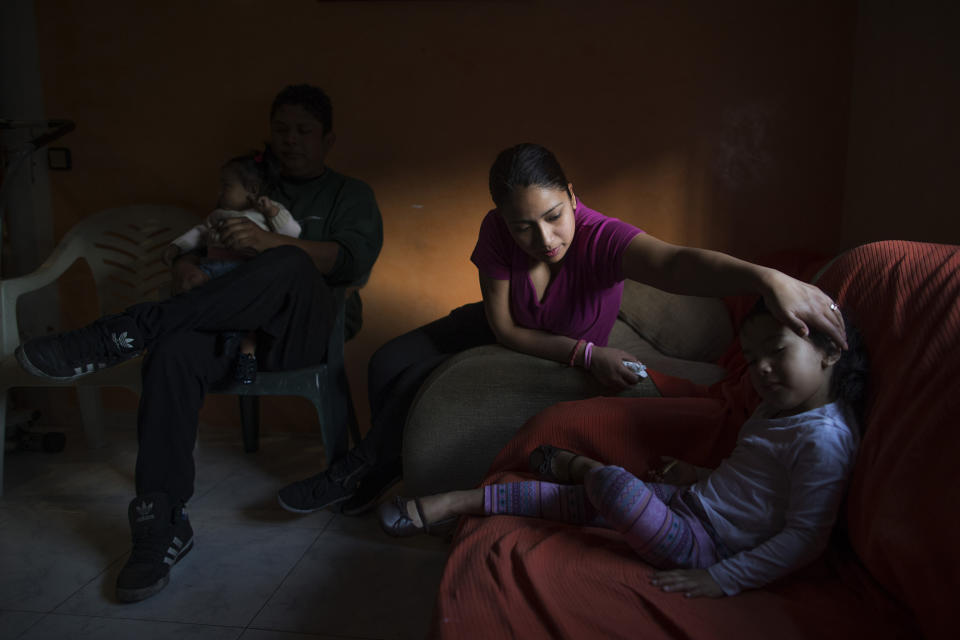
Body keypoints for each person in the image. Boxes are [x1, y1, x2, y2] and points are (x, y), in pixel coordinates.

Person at [277, 142, 848, 518]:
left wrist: (765, 277)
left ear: (572, 196)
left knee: (417, 380)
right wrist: (583, 349)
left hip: (547, 347)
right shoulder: (498, 233)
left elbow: (675, 263)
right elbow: (501, 325)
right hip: (502, 329)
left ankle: (350, 473)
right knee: (386, 360)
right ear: (503, 219)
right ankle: (382, 469)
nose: (544, 238)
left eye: (554, 216)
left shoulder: (602, 237)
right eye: (523, 227)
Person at [15, 84, 383, 603]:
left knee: (289, 261)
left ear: (328, 139)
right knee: (172, 352)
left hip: (303, 330)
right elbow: (200, 240)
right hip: (226, 325)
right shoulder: (245, 181)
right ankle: (161, 519)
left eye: (304, 131)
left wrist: (271, 242)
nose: (291, 140)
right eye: (282, 130)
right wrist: (185, 265)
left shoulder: (350, 194)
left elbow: (351, 262)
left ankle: (126, 330)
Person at [378, 303, 868, 598]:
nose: (760, 370)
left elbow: (805, 537)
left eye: (776, 352)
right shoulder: (774, 410)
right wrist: (695, 474)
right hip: (690, 507)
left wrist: (723, 579)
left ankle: (578, 466)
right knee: (577, 504)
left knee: (612, 485)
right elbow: (753, 484)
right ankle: (452, 503)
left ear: (829, 350)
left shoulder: (824, 440)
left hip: (704, 548)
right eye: (754, 358)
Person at [162, 152, 303, 383]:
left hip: (243, 275)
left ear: (253, 190)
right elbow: (197, 234)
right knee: (191, 291)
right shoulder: (217, 216)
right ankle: (190, 335)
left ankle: (246, 355)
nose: (219, 193)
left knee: (248, 320)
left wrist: (273, 213)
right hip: (213, 272)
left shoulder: (265, 213)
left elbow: (292, 235)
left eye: (225, 186)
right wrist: (176, 248)